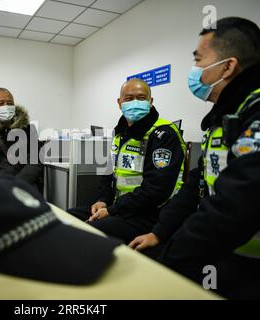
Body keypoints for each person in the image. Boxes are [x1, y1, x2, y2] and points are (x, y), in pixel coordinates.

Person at [129, 17, 260, 299]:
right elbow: (196, 185)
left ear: (228, 66)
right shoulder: (226, 114)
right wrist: (160, 233)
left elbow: (235, 205)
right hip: (225, 252)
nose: (195, 71)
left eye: (199, 61)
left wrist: (169, 261)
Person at [68, 79, 185, 248]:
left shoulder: (163, 134)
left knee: (87, 232)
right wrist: (102, 200)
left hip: (150, 213)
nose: (135, 103)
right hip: (121, 207)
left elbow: (156, 191)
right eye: (129, 98)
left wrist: (112, 210)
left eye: (141, 98)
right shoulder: (120, 133)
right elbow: (109, 173)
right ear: (119, 102)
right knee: (67, 217)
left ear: (151, 102)